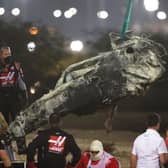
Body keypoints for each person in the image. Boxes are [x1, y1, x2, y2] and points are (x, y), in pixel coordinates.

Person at [0, 46, 28, 124]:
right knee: (4, 124)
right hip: (2, 99)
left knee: (17, 122)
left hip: (14, 98)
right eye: (5, 54)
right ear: (0, 55)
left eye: (9, 54)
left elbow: (22, 84)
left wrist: (25, 99)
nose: (8, 56)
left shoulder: (16, 66)